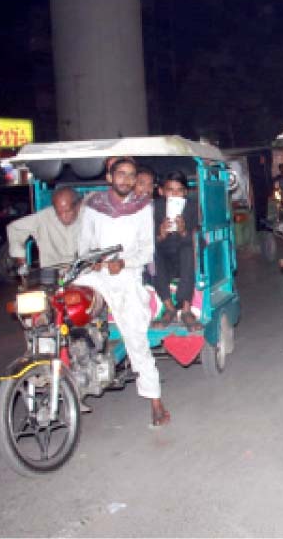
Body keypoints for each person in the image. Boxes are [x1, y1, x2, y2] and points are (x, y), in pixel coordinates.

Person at [76, 158, 170, 427]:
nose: (127, 180)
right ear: (110, 177)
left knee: (135, 335)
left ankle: (155, 400)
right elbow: (83, 246)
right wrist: (91, 260)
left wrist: (124, 263)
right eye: (121, 174)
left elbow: (146, 251)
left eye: (131, 176)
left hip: (127, 274)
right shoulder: (94, 206)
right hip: (96, 274)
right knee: (68, 307)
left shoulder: (143, 208)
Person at [151, 170, 202, 332]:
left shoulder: (192, 208)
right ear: (161, 191)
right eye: (170, 190)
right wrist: (160, 235)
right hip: (164, 261)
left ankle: (186, 310)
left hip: (185, 261)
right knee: (152, 255)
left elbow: (199, 240)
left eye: (179, 190)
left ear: (185, 192)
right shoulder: (155, 208)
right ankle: (169, 307)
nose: (175, 194)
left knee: (187, 251)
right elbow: (146, 243)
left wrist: (183, 232)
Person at [7, 186, 82, 269]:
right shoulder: (43, 217)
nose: (63, 216)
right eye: (59, 213)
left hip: (83, 270)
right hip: (52, 271)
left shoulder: (89, 217)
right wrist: (19, 255)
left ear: (77, 207)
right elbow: (15, 228)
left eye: (67, 211)